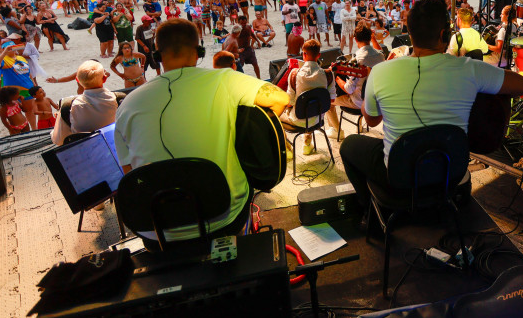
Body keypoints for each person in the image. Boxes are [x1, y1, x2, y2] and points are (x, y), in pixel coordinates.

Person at [339, 0, 523, 207]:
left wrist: (379, 97)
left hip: (398, 176)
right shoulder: (470, 69)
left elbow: (372, 120)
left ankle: (368, 210)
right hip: (451, 173)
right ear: (444, 34)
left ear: (410, 34)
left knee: (349, 146)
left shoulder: (380, 71)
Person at [114, 18, 288, 244]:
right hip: (225, 218)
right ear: (200, 53)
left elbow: (129, 172)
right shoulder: (225, 80)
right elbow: (281, 98)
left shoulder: (127, 104)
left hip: (155, 230)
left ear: (157, 56)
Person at [280, 39, 335, 155]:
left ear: (303, 54)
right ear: (319, 55)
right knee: (309, 109)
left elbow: (290, 102)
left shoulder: (294, 74)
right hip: (318, 118)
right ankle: (307, 144)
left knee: (275, 116)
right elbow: (332, 100)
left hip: (299, 121)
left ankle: (288, 150)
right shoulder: (328, 74)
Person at [326, 23, 384, 132]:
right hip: (377, 100)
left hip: (359, 102)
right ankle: (359, 125)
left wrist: (337, 78)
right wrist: (373, 39)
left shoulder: (357, 60)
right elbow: (379, 50)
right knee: (360, 85)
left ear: (355, 39)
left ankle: (337, 131)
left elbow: (349, 89)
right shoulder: (381, 56)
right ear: (370, 37)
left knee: (328, 101)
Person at [51, 61, 118, 145]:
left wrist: (60, 119)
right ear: (104, 79)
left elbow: (58, 140)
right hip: (116, 148)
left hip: (86, 150)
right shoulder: (119, 100)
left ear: (77, 80)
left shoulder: (69, 106)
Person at [0, 42, 38, 129]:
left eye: (13, 47)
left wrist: (34, 83)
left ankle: (34, 129)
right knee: (14, 113)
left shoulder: (20, 58)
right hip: (10, 92)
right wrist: (4, 53)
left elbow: (28, 72)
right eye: (8, 48)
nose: (11, 49)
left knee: (30, 110)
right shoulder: (3, 59)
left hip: (27, 88)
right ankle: (18, 130)